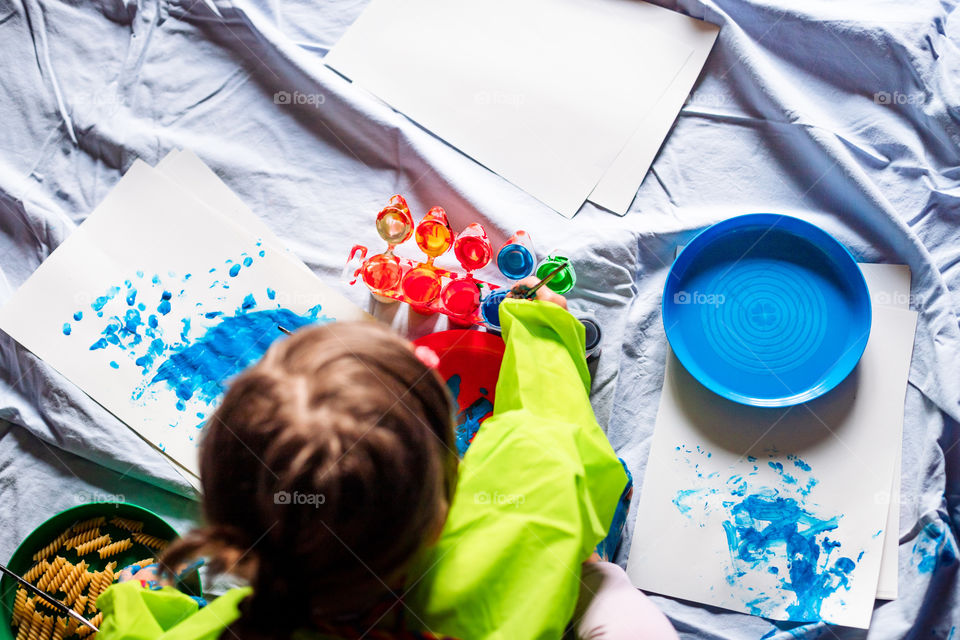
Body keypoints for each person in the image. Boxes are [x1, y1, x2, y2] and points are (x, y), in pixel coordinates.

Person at [97, 278, 678, 640]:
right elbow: (559, 429)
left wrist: (134, 595)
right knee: (599, 560)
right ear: (449, 476)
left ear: (230, 536)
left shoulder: (231, 627)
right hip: (528, 602)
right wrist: (540, 326)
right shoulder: (529, 499)